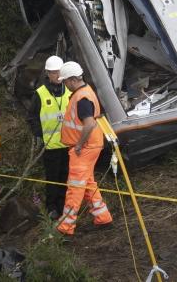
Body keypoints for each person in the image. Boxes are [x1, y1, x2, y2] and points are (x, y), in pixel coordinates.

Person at [55, 62, 113, 235]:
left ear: (73, 80)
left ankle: (66, 227)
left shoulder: (82, 98)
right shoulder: (84, 92)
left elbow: (89, 123)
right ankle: (103, 217)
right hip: (90, 145)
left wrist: (79, 145)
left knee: (75, 187)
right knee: (87, 183)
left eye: (65, 81)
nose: (65, 85)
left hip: (85, 148)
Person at [27, 55, 71, 220]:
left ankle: (63, 206)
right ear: (47, 73)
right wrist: (40, 135)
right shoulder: (40, 93)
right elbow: (31, 117)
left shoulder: (69, 90)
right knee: (52, 178)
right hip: (51, 145)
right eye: (53, 72)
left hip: (68, 143)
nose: (57, 75)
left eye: (59, 71)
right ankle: (51, 207)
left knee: (65, 176)